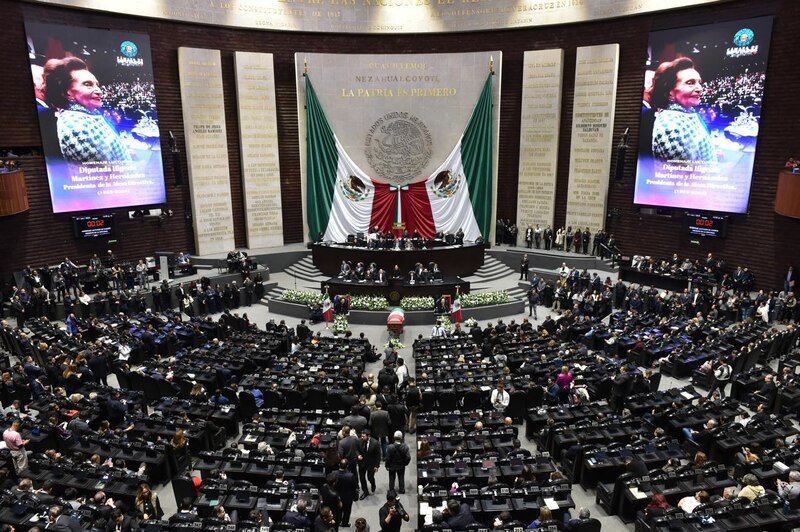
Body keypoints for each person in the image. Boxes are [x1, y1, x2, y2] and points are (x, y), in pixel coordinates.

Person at [42, 57, 131, 163]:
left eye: (97, 85)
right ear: (67, 92)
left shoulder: (89, 114)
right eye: (87, 84)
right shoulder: (76, 130)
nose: (99, 91)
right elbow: (106, 175)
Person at [647, 57, 715, 162]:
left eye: (699, 82)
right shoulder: (670, 128)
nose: (700, 89)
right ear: (669, 91)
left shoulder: (688, 112)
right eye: (690, 83)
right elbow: (686, 175)